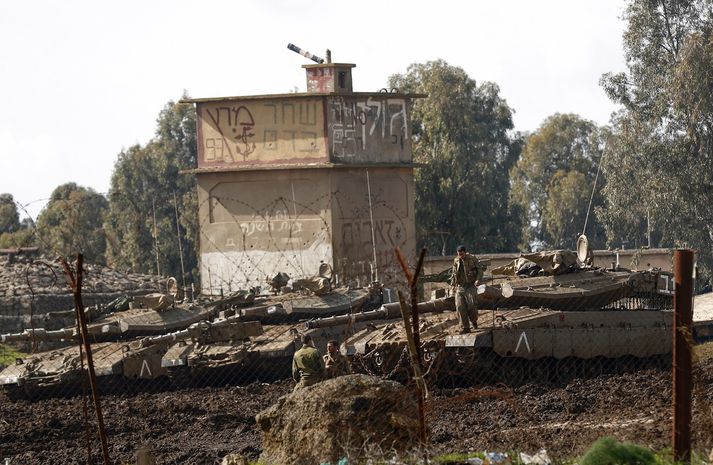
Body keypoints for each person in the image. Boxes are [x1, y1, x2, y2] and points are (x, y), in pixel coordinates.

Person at [450, 245, 482, 333]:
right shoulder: (456, 260)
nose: (461, 256)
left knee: (471, 305)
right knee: (460, 307)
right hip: (460, 287)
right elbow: (454, 273)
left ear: (465, 252)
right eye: (459, 254)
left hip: (470, 286)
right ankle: (465, 327)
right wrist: (453, 285)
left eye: (462, 254)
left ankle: (474, 320)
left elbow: (480, 270)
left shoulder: (472, 259)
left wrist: (478, 279)